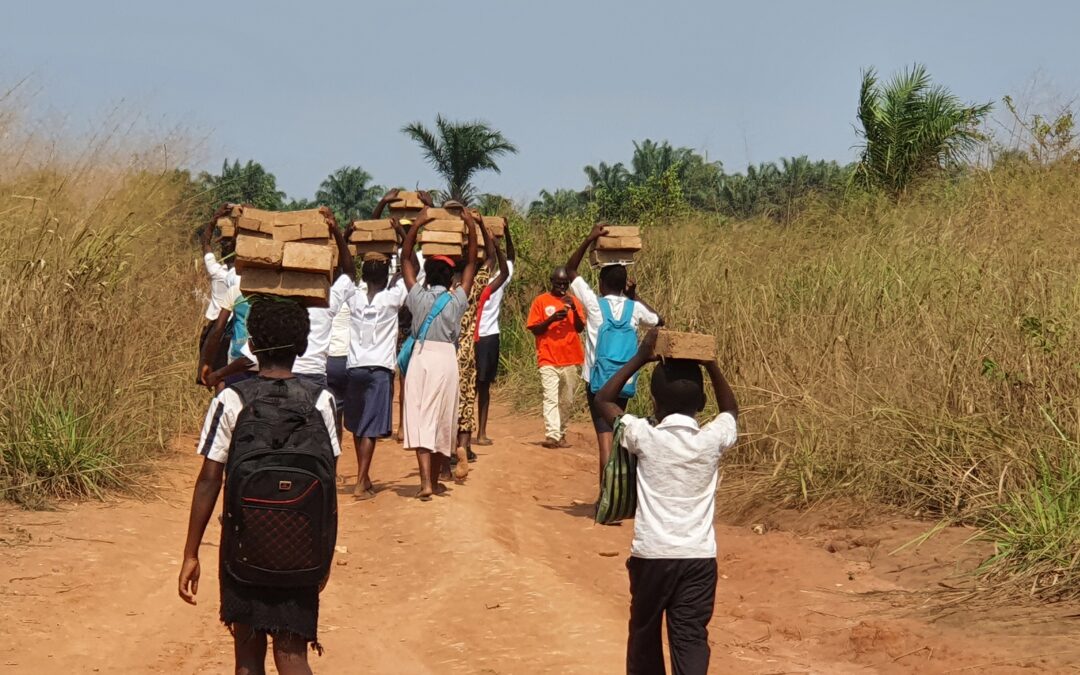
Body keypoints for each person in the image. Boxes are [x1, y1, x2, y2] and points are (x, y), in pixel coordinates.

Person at [179, 299, 342, 675]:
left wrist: (191, 553)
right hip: (302, 550)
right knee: (292, 654)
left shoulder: (231, 399)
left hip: (243, 548)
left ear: (250, 346)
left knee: (247, 659)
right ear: (303, 346)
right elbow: (327, 488)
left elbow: (208, 480)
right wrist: (324, 554)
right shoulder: (323, 401)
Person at [594, 329, 738, 675]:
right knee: (690, 638)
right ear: (702, 405)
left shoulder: (645, 436)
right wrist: (712, 366)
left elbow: (603, 400)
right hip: (699, 559)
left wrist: (641, 358)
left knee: (644, 637)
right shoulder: (712, 439)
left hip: (652, 557)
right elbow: (731, 410)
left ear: (655, 404)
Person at [566, 223, 663, 481]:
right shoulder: (634, 310)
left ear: (600, 284)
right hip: (625, 380)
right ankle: (621, 492)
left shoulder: (595, 307)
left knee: (605, 439)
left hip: (598, 382)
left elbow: (570, 269)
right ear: (624, 286)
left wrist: (590, 238)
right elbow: (658, 320)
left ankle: (606, 497)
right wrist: (635, 297)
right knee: (620, 433)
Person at [399, 207, 482, 500]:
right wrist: (471, 225)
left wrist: (417, 226)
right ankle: (434, 481)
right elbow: (472, 261)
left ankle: (425, 482)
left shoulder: (417, 296)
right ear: (450, 278)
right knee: (442, 420)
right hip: (447, 360)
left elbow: (404, 260)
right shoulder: (457, 298)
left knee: (421, 418)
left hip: (421, 358)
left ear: (428, 275)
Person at [341, 220, 411, 500]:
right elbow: (411, 269)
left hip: (354, 368)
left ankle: (364, 476)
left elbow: (345, 268)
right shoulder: (392, 299)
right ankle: (360, 482)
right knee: (369, 427)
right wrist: (406, 235)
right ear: (386, 276)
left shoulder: (354, 297)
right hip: (379, 370)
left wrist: (345, 235)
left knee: (359, 424)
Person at [451, 207, 506, 478]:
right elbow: (497, 266)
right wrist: (479, 226)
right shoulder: (476, 289)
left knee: (448, 400)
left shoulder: (444, 287)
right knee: (466, 400)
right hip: (467, 352)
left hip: (444, 349)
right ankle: (464, 445)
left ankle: (448, 449)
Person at [290, 222, 354, 393]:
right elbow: (349, 273)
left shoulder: (283, 302)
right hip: (314, 375)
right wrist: (338, 233)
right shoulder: (325, 302)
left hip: (286, 375)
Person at [526, 266, 585, 448]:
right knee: (550, 397)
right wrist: (551, 319)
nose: (562, 287)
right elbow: (535, 329)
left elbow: (580, 327)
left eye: (565, 284)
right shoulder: (541, 301)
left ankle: (562, 432)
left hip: (570, 357)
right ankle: (552, 435)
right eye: (558, 283)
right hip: (548, 357)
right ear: (551, 282)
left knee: (567, 400)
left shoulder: (574, 301)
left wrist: (573, 309)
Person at [473, 223, 516, 446]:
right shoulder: (494, 283)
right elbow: (510, 261)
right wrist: (503, 237)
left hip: (473, 338)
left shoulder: (466, 282)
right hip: (487, 338)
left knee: (471, 386)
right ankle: (480, 432)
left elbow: (509, 262)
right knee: (483, 387)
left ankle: (472, 434)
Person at [197, 211, 236, 382]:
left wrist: (214, 219)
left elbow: (205, 242)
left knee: (217, 377)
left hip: (217, 329)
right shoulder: (246, 278)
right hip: (236, 330)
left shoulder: (217, 272)